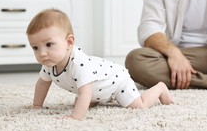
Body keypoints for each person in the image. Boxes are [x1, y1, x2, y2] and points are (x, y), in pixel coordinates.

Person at [26, 8, 173, 120]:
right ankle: (96, 100)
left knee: (138, 106)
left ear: (69, 42)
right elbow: (42, 84)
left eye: (49, 44)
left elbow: (86, 92)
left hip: (117, 82)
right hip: (97, 88)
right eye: (35, 48)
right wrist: (37, 105)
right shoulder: (49, 63)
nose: (42, 53)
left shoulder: (78, 64)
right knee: (84, 100)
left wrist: (74, 118)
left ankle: (160, 88)